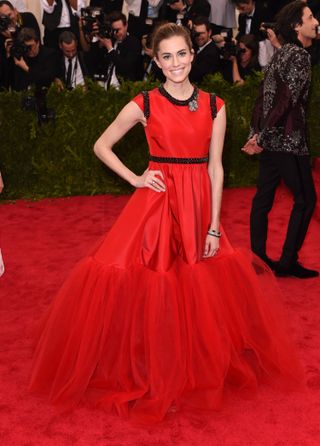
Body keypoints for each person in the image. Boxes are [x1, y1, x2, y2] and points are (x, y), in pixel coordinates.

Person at [29, 22, 304, 424]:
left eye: (181, 54)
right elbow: (101, 145)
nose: (176, 63)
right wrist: (136, 177)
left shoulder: (215, 105)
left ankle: (192, 368)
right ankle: (152, 370)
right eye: (167, 57)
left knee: (196, 290)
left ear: (193, 55)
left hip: (196, 206)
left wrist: (213, 226)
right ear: (156, 62)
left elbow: (216, 170)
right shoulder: (144, 103)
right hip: (156, 204)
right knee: (154, 286)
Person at [242, 1, 319, 278]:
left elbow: (264, 95)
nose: (315, 21)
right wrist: (262, 134)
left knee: (263, 197)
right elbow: (286, 100)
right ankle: (287, 262)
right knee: (306, 199)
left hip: (272, 140)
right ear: (297, 26)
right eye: (310, 17)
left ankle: (258, 257)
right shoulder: (298, 56)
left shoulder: (281, 52)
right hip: (288, 141)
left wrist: (257, 131)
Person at [189, 16, 221, 84]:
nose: (199, 36)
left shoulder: (212, 53)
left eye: (202, 33)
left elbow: (196, 77)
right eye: (196, 33)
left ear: (209, 33)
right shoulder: (195, 47)